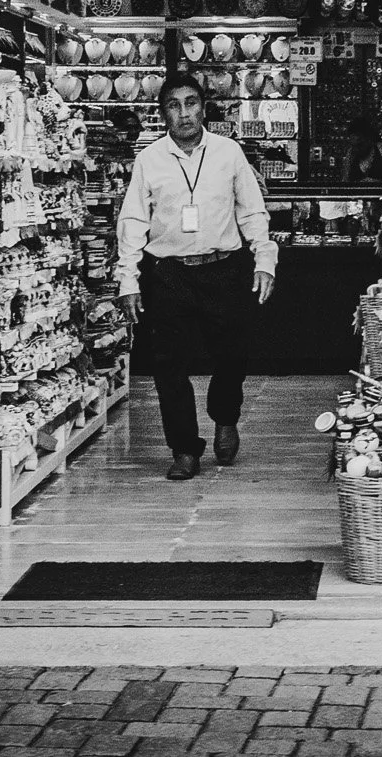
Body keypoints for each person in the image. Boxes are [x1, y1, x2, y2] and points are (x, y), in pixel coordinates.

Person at [116, 73, 278, 481]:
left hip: (224, 269)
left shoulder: (228, 152)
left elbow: (252, 209)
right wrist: (128, 280)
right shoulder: (149, 159)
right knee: (168, 366)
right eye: (174, 105)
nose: (184, 113)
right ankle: (184, 449)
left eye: (191, 103)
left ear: (204, 108)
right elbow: (133, 221)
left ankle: (225, 419)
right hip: (168, 273)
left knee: (231, 356)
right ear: (163, 113)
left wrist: (264, 260)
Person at [343, 115, 382, 184]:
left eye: (360, 145)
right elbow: (345, 182)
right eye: (353, 146)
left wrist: (377, 182)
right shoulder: (350, 153)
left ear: (369, 139)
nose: (356, 149)